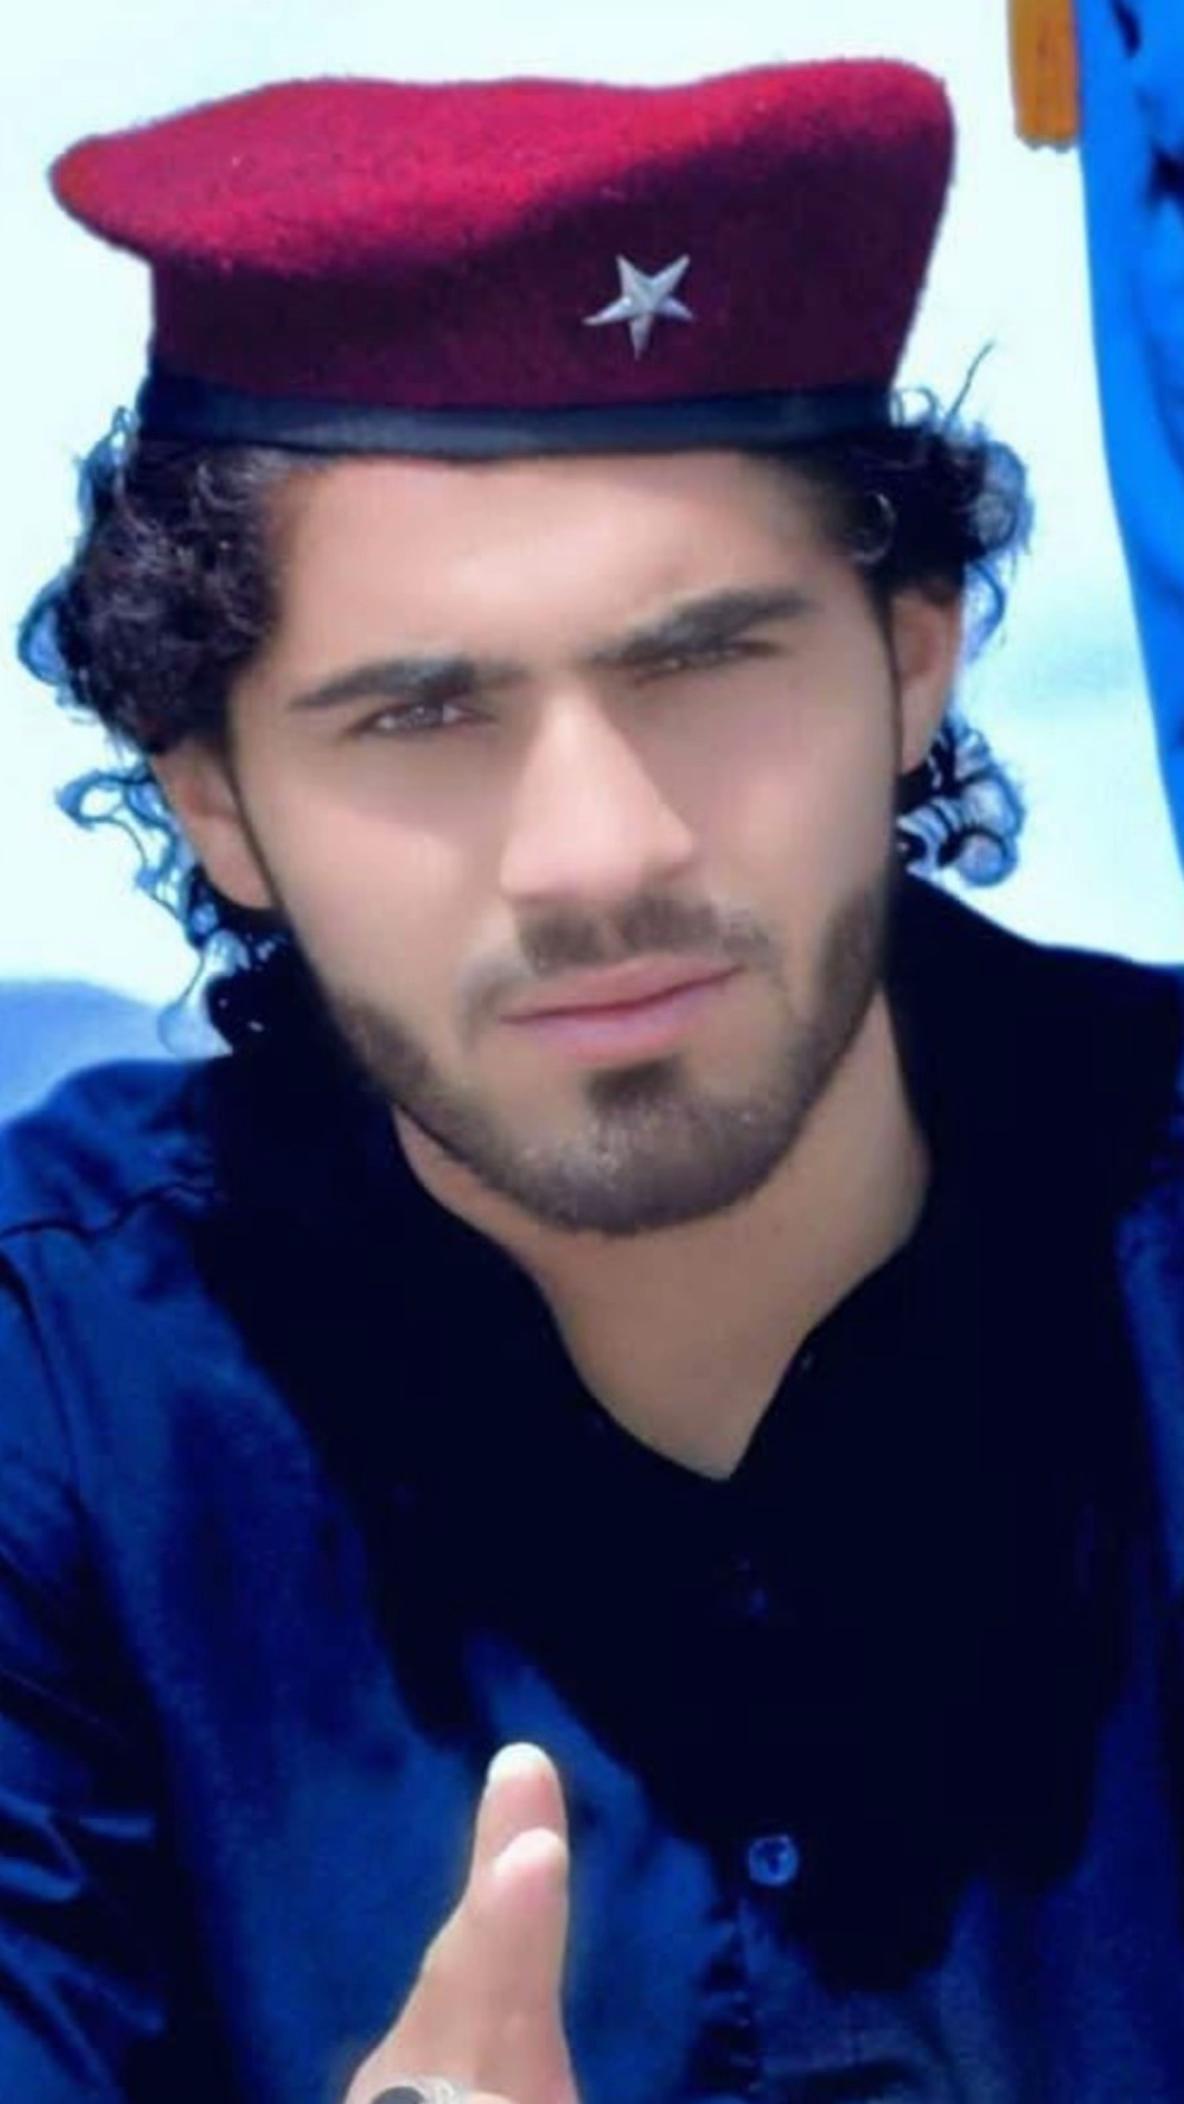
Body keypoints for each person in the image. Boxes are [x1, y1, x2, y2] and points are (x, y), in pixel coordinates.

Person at [4, 55, 1184, 2104]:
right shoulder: (56, 1393)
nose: (598, 852)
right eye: (419, 718)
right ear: (214, 799)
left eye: (700, 664)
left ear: (914, 658)